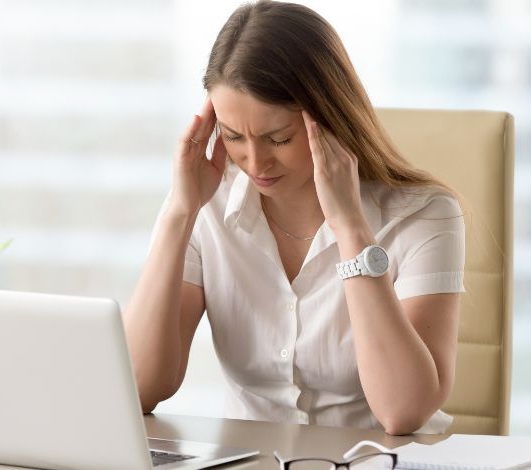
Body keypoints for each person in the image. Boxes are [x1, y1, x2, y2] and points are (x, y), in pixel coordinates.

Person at [122, 0, 465, 436]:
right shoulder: (205, 206)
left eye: (278, 138)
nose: (255, 161)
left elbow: (402, 411)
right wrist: (179, 212)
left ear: (331, 118)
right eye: (232, 136)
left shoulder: (424, 216)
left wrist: (351, 229)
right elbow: (139, 387)